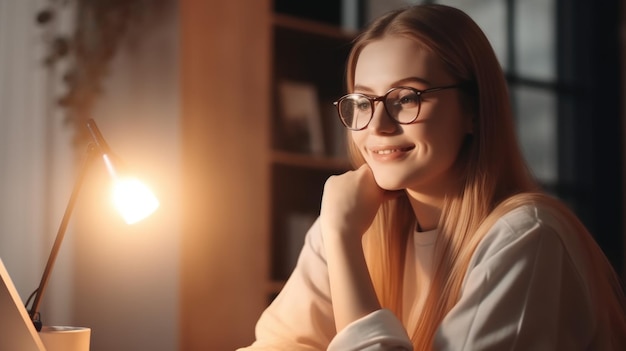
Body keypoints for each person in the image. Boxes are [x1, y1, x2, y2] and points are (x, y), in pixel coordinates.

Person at [238, 4, 626, 350]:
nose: (379, 126)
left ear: (473, 110)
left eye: (406, 98)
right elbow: (278, 344)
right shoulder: (352, 224)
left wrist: (342, 238)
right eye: (363, 102)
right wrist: (339, 234)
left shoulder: (526, 236)